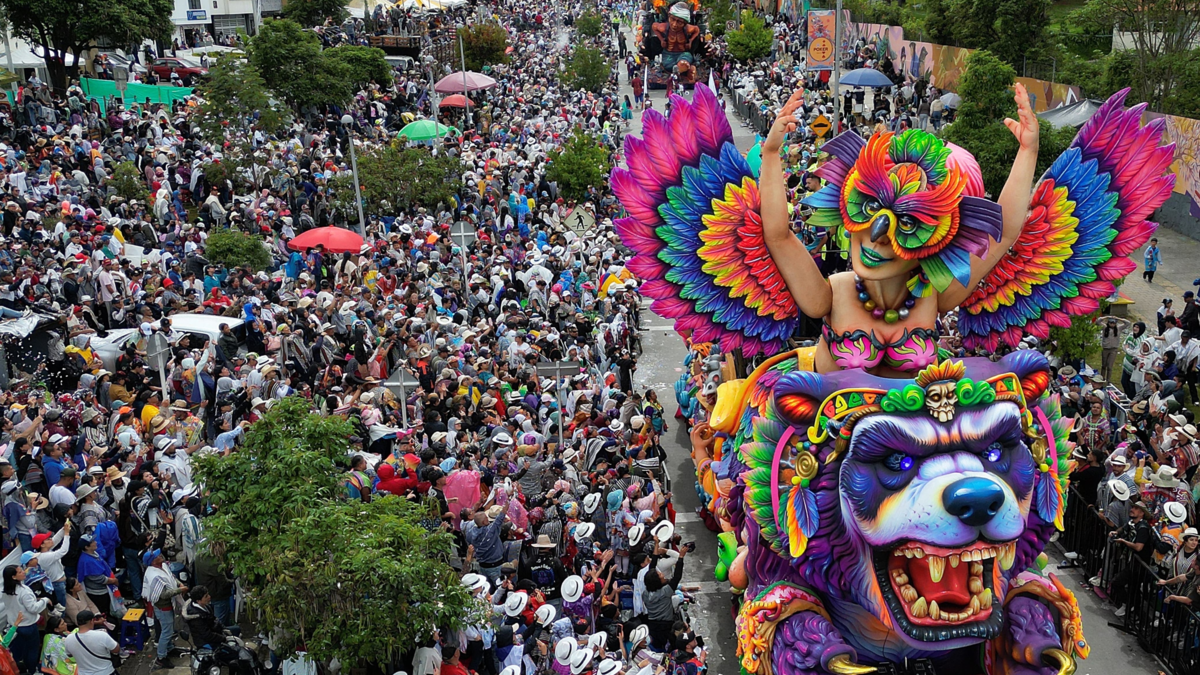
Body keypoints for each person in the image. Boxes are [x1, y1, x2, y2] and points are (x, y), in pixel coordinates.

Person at [760, 84, 1040, 376]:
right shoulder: (833, 294)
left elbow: (1003, 235)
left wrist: (1027, 151)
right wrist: (770, 153)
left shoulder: (934, 295)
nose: (877, 237)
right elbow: (779, 236)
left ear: (938, 243)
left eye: (907, 224)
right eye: (868, 210)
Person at [142, 548, 188, 669]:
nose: (160, 556)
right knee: (166, 632)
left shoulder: (162, 566)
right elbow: (163, 594)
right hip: (163, 607)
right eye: (157, 556)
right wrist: (180, 590)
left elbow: (171, 577)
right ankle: (161, 658)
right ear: (153, 562)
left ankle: (169, 648)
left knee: (169, 629)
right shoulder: (154, 575)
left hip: (168, 605)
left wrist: (179, 584)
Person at [2, 564, 49, 673]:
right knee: (32, 651)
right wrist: (45, 600)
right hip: (28, 626)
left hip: (15, 627)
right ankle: (32, 670)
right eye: (19, 572)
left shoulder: (5, 591)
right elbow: (33, 608)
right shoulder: (24, 591)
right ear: (13, 577)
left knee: (18, 652)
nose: (23, 572)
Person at [63, 610, 120, 675]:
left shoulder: (69, 639)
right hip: (106, 672)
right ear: (92, 621)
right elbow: (116, 649)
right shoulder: (101, 635)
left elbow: (69, 655)